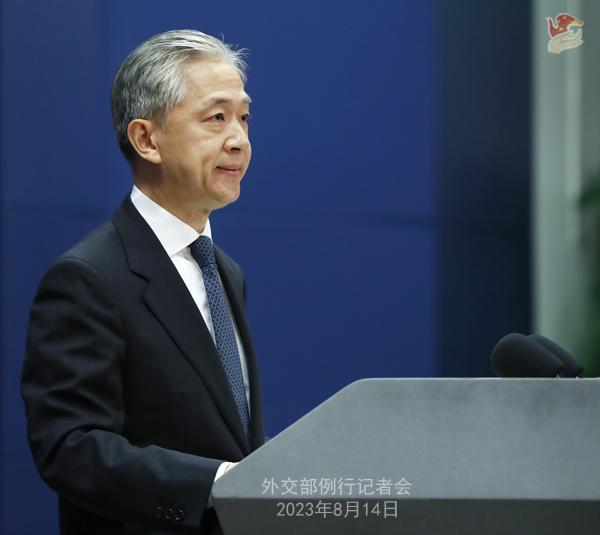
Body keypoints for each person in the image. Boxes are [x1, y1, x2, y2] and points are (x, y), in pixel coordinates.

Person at [21, 29, 264, 534]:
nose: (238, 139)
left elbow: (227, 435)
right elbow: (70, 447)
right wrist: (214, 483)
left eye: (243, 117)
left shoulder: (226, 272)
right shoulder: (88, 278)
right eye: (216, 118)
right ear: (146, 140)